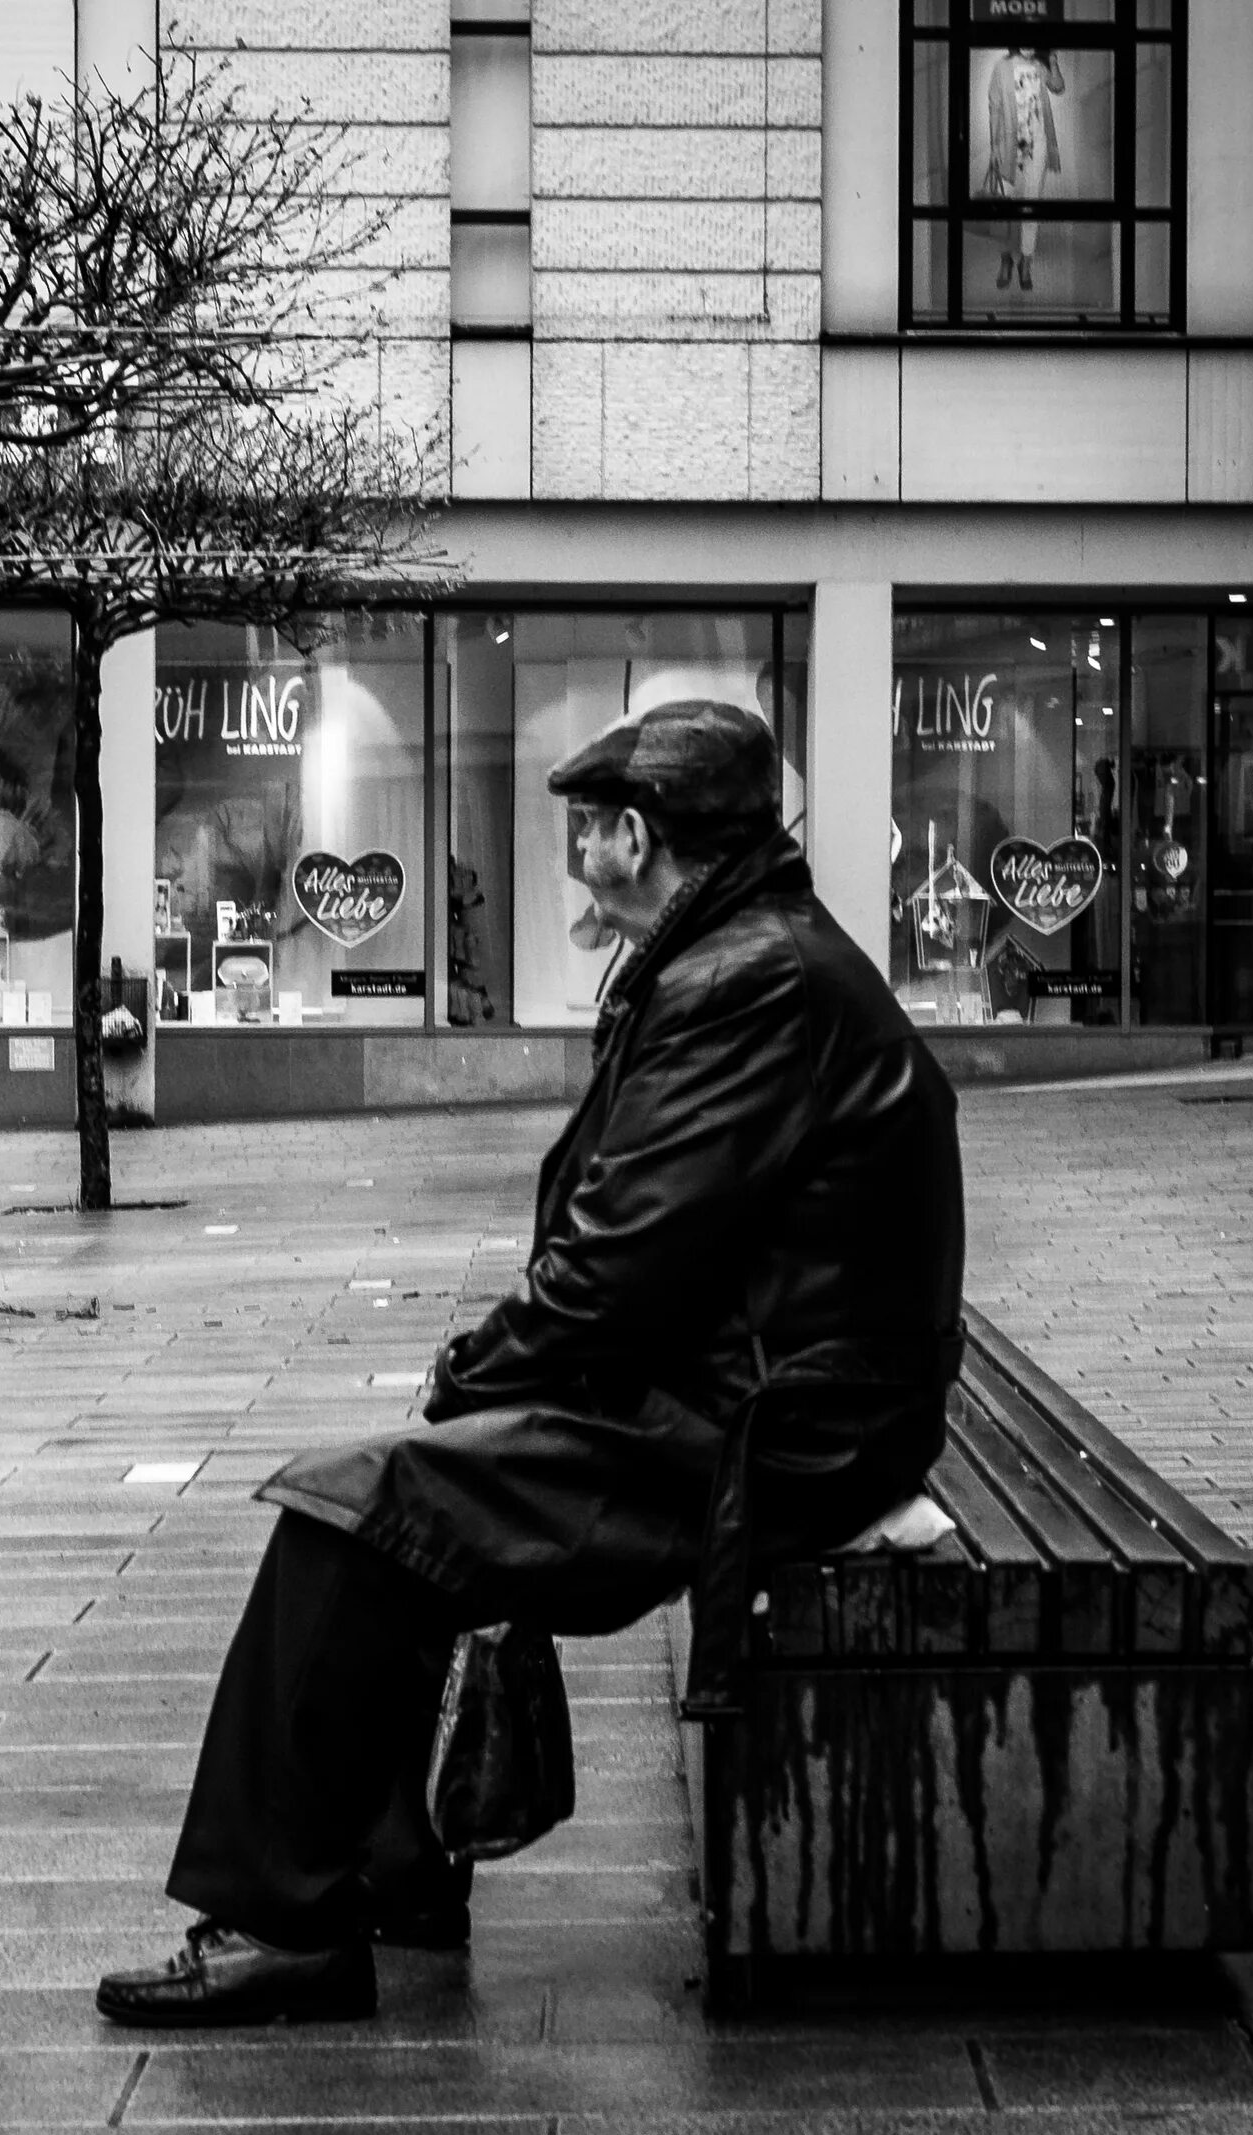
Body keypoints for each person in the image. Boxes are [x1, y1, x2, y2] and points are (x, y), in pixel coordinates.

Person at [94, 700, 966, 2029]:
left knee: (349, 1515)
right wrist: (502, 1371)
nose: (576, 860)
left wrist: (473, 1372)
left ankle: (285, 1919)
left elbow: (615, 1267)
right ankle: (397, 1871)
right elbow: (635, 1247)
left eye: (586, 833)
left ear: (634, 834)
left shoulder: (748, 978)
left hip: (767, 1430)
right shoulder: (731, 955)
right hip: (760, 1390)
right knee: (400, 1502)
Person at [981, 47, 1064, 293]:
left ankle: (1026, 262)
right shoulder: (1002, 67)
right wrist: (994, 146)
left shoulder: (1040, 65)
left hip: (1037, 146)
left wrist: (1053, 61)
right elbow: (994, 107)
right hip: (1009, 146)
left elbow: (1058, 87)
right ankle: (1006, 259)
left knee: (1031, 205)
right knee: (1004, 205)